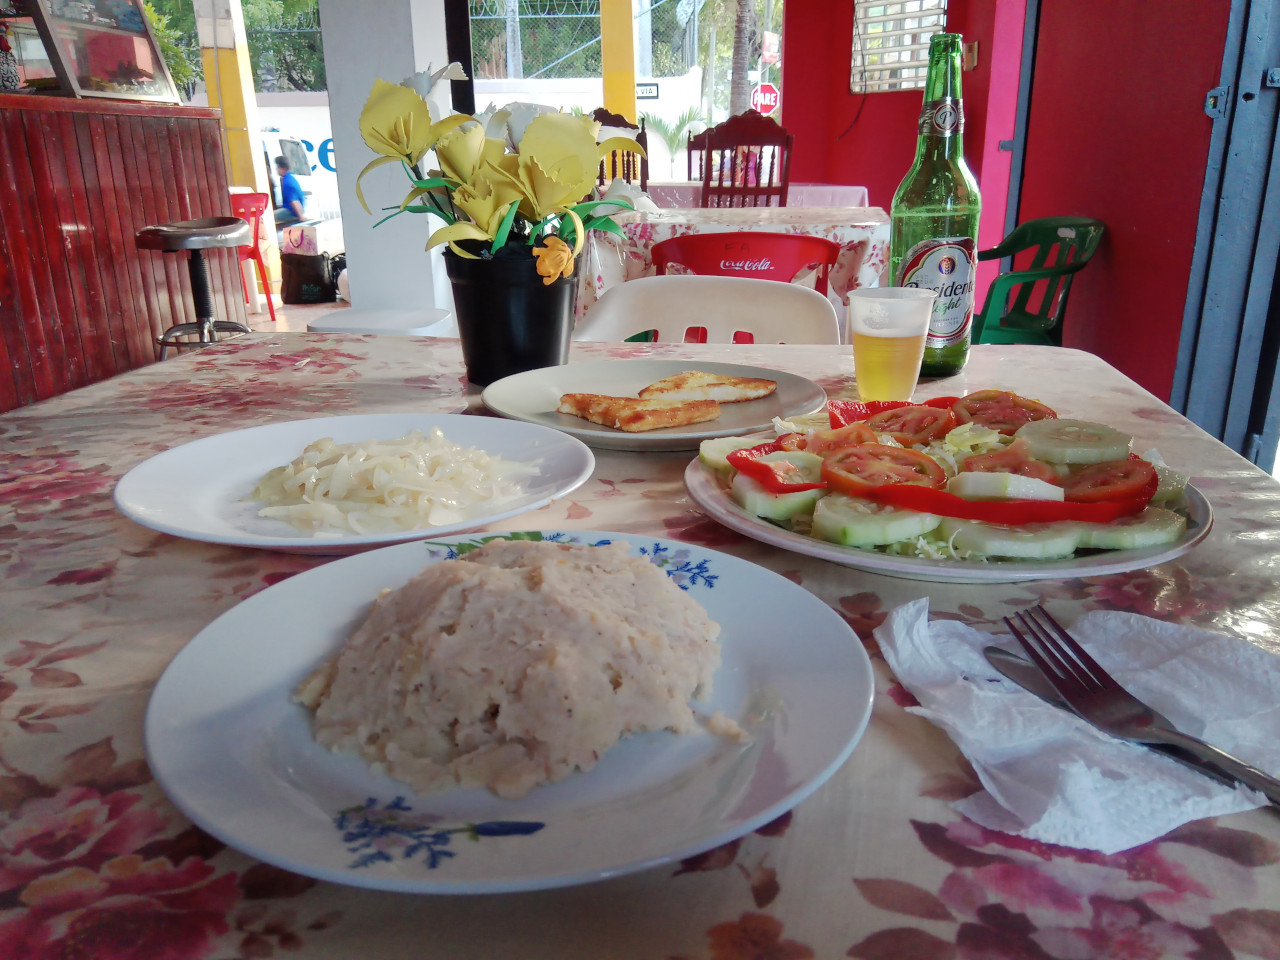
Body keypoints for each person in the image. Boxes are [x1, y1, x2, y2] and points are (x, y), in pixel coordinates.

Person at [275, 155, 306, 224]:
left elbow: (294, 201)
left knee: (269, 218)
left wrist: (301, 217)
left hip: (291, 212)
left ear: (283, 168)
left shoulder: (287, 182)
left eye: (277, 167)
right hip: (291, 210)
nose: (276, 170)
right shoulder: (290, 178)